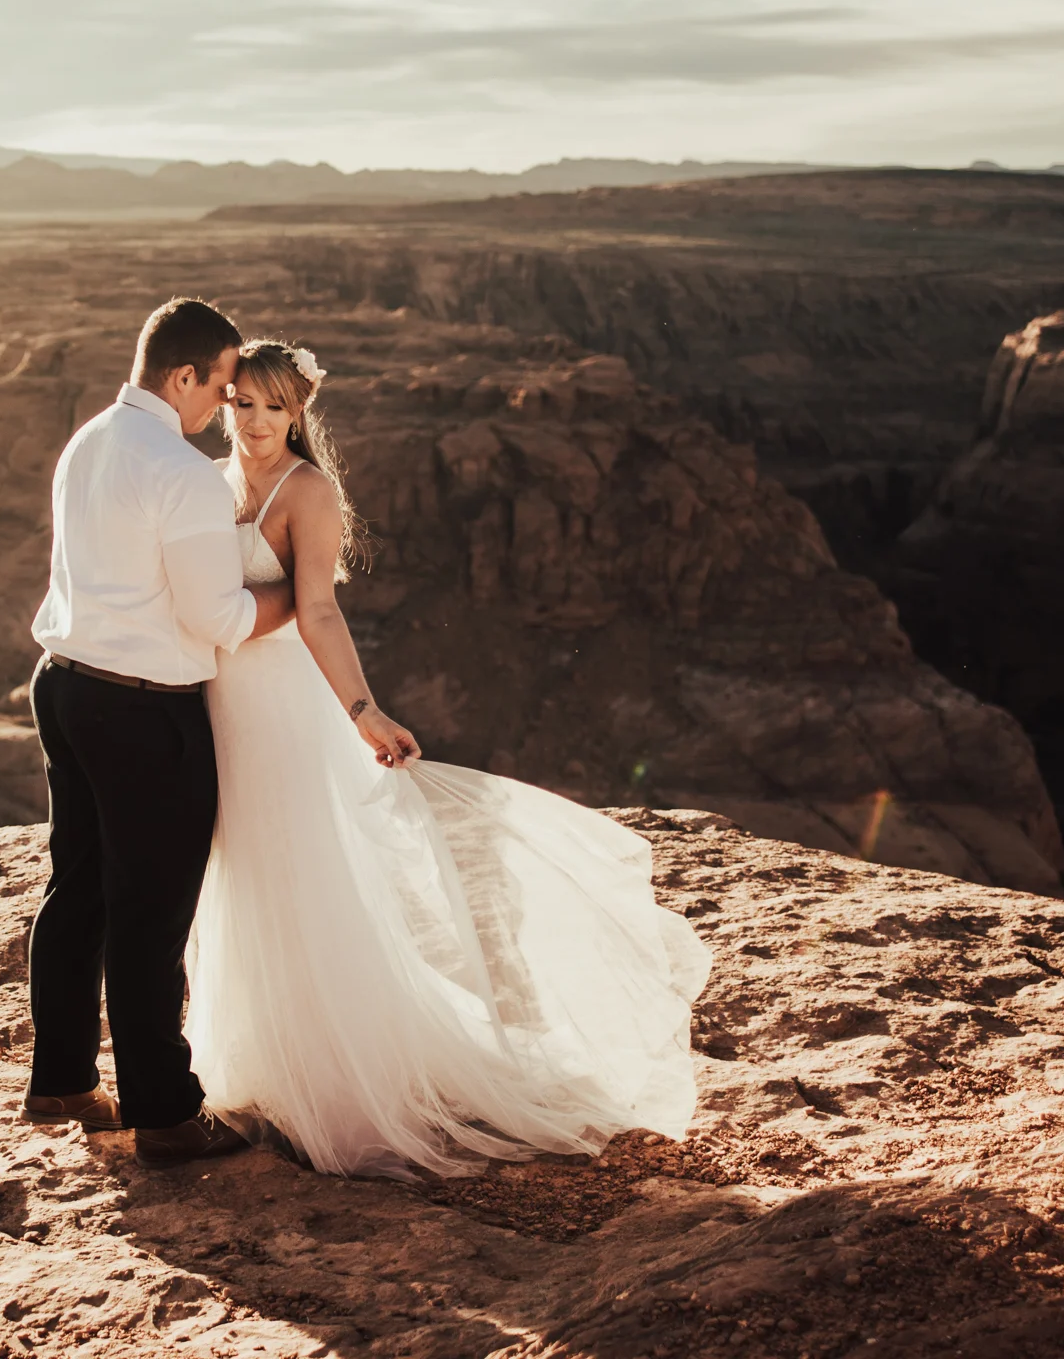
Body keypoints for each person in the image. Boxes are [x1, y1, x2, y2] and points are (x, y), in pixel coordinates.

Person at [185, 338, 712, 1178]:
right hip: (220, 705)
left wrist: (363, 711)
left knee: (299, 874)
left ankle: (331, 1086)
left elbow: (319, 612)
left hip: (284, 712)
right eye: (242, 403)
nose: (253, 422)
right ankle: (255, 1068)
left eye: (274, 407)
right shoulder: (209, 484)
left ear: (299, 413)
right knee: (238, 874)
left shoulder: (308, 492)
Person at [22, 297, 294, 1166]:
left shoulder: (90, 439)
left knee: (81, 890)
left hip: (63, 689)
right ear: (183, 377)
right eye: (220, 388)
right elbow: (219, 617)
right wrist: (298, 597)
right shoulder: (178, 473)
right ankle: (166, 1114)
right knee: (152, 912)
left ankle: (62, 1082)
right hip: (143, 711)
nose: (226, 408)